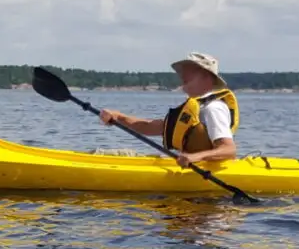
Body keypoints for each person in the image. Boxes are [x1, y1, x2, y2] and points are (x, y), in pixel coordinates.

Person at [99, 52, 239, 168]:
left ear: (206, 76)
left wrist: (194, 157)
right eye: (183, 70)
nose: (183, 74)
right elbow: (149, 127)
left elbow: (229, 149)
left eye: (190, 70)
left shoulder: (213, 108)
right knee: (104, 156)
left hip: (205, 170)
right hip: (190, 164)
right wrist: (118, 117)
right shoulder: (194, 108)